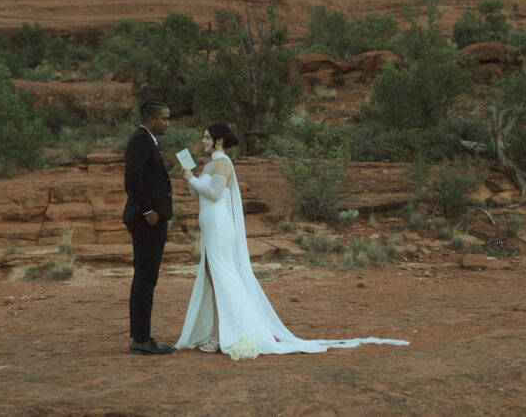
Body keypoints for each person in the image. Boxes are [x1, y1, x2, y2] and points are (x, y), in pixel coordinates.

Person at [174, 122, 409, 358]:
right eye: (203, 137)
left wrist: (194, 179)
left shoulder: (224, 163)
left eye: (206, 137)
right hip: (209, 228)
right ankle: (219, 330)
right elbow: (198, 195)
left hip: (219, 226)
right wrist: (188, 177)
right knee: (214, 278)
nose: (203, 141)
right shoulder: (209, 165)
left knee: (222, 277)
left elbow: (214, 195)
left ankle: (220, 333)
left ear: (219, 140)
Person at [122, 100, 175, 355]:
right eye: (165, 119)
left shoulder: (146, 138)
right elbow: (133, 176)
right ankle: (141, 340)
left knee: (145, 277)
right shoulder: (142, 139)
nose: (168, 123)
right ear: (152, 119)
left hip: (150, 217)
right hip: (146, 220)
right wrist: (147, 210)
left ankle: (140, 337)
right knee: (145, 277)